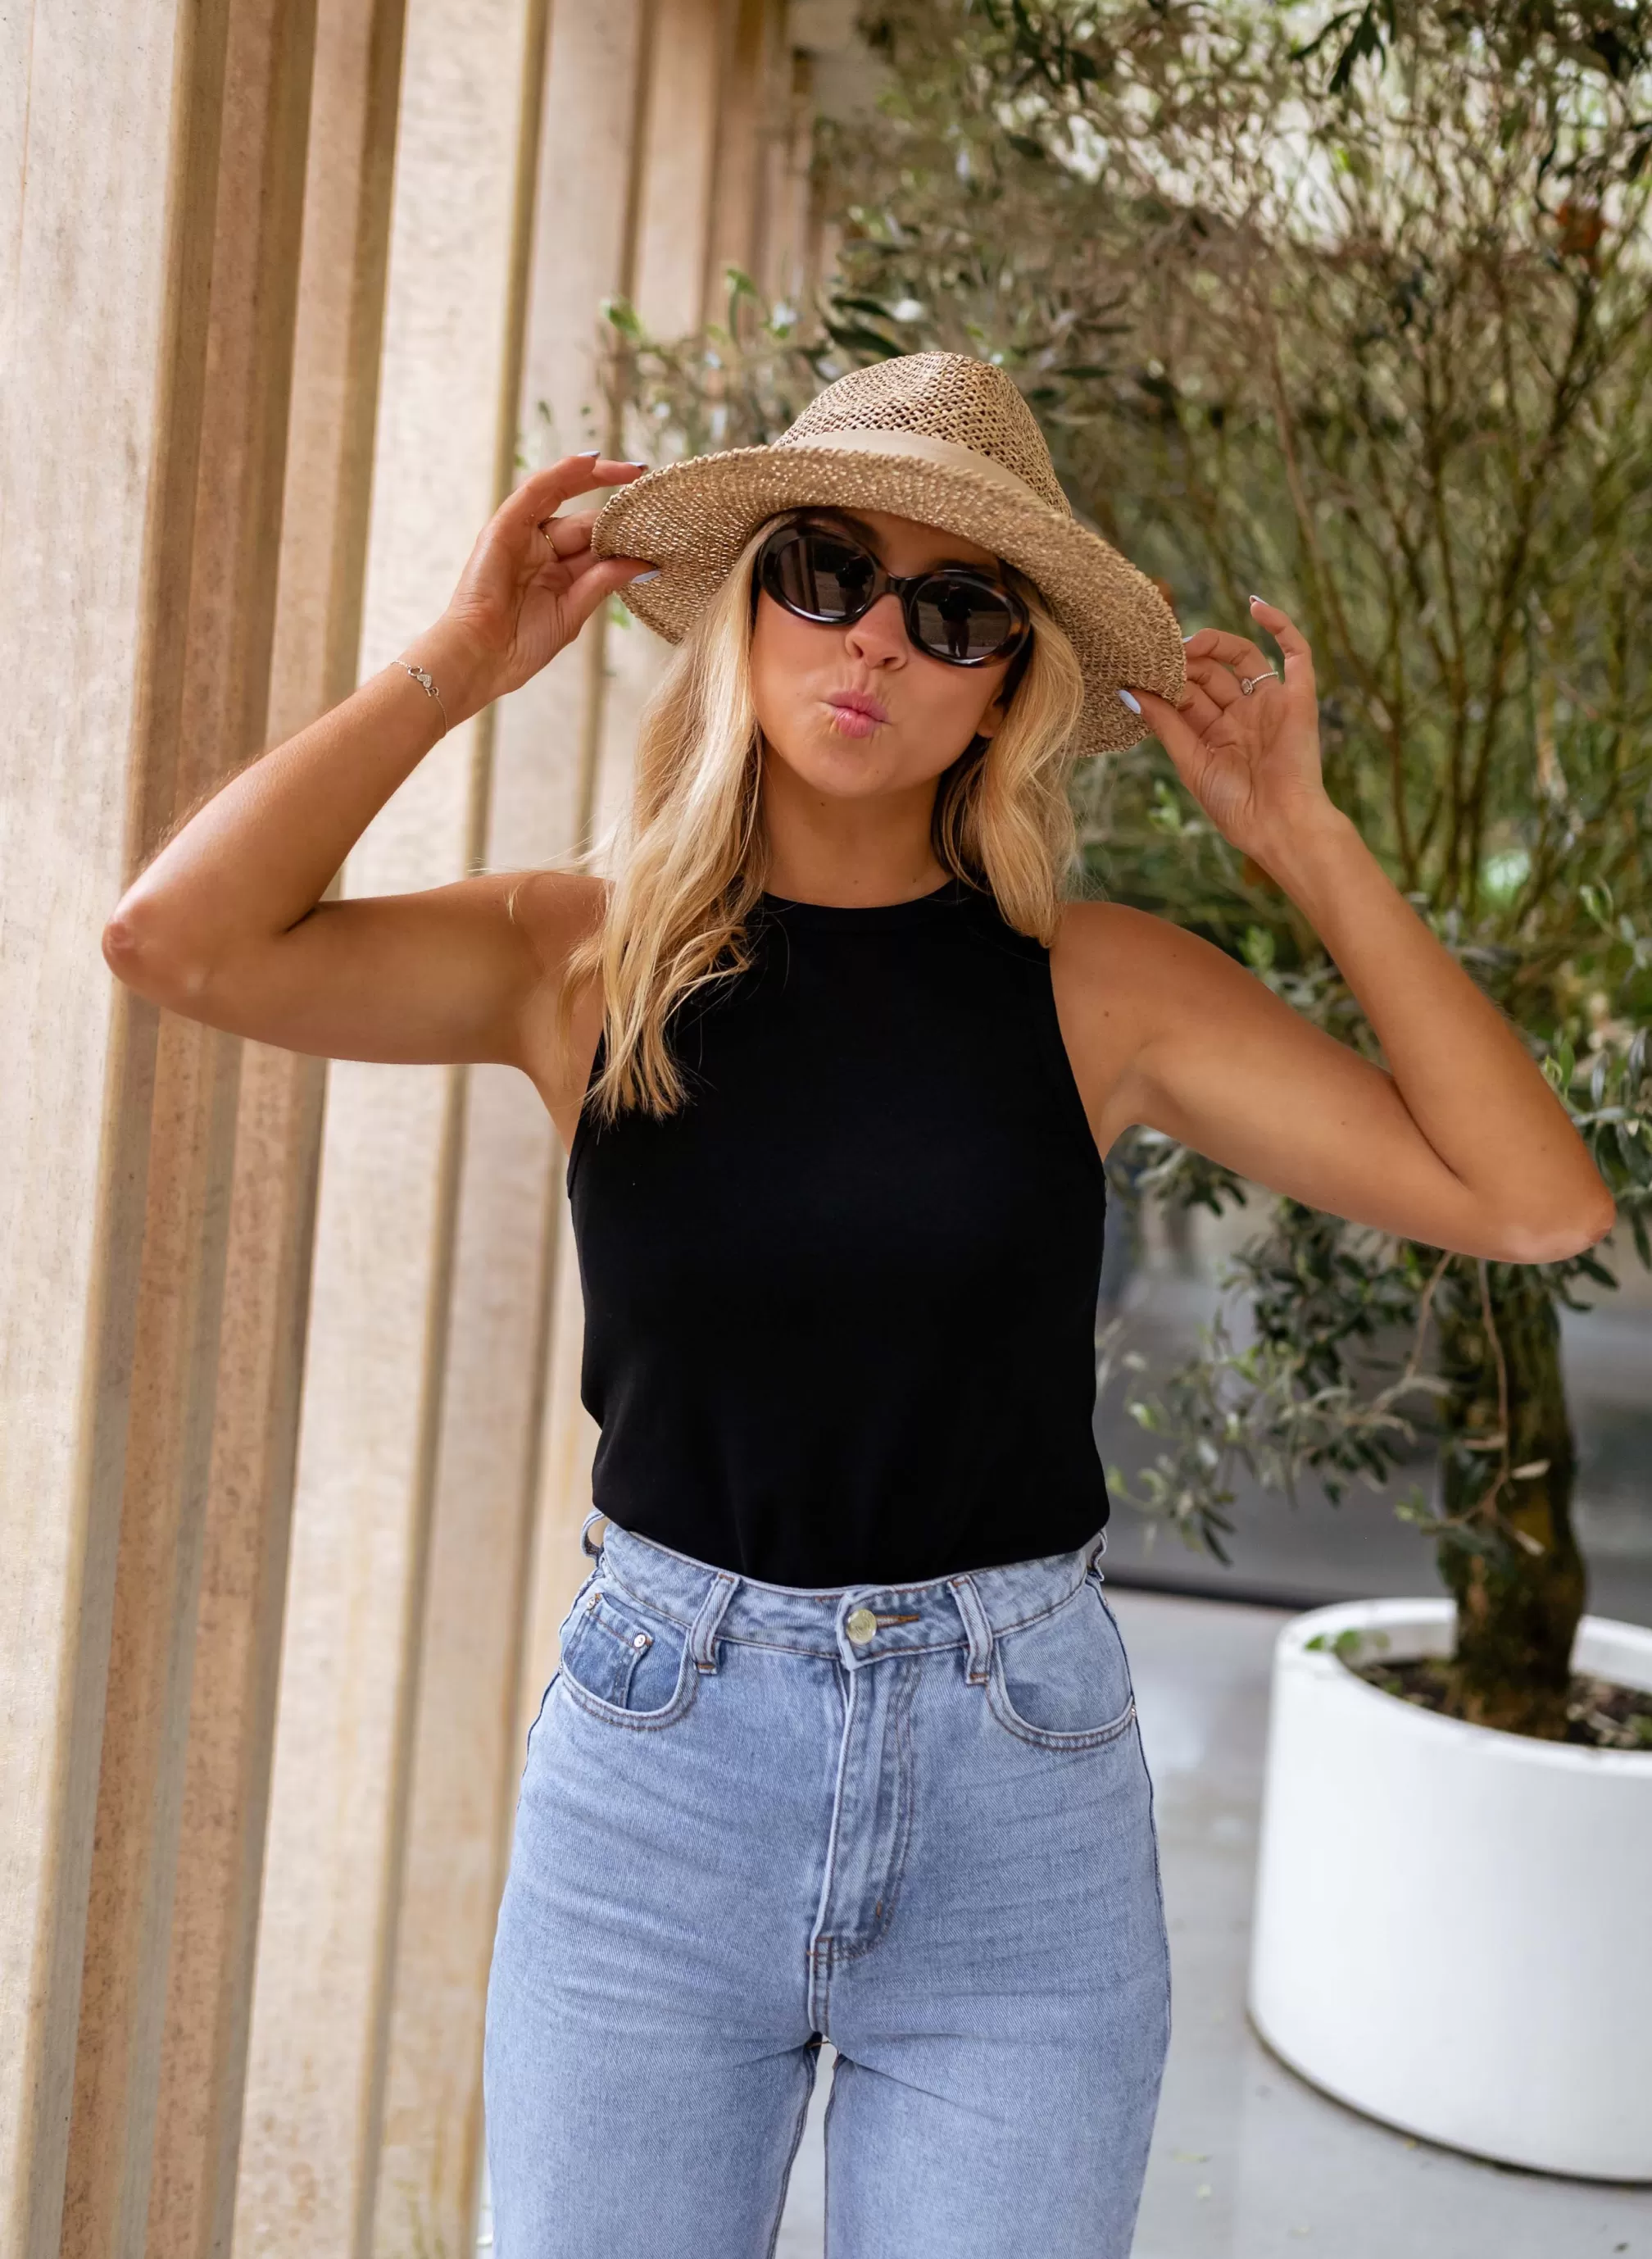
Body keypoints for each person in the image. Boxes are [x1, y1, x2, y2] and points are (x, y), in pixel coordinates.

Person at [105, 353, 1612, 2257]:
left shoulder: (1100, 988)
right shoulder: (583, 956)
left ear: (1006, 684)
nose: (877, 638)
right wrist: (465, 660)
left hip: (1018, 1802)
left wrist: (1298, 837)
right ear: (750, 601)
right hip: (661, 1781)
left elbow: (1534, 1201)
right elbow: (176, 941)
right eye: (827, 569)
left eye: (953, 608)